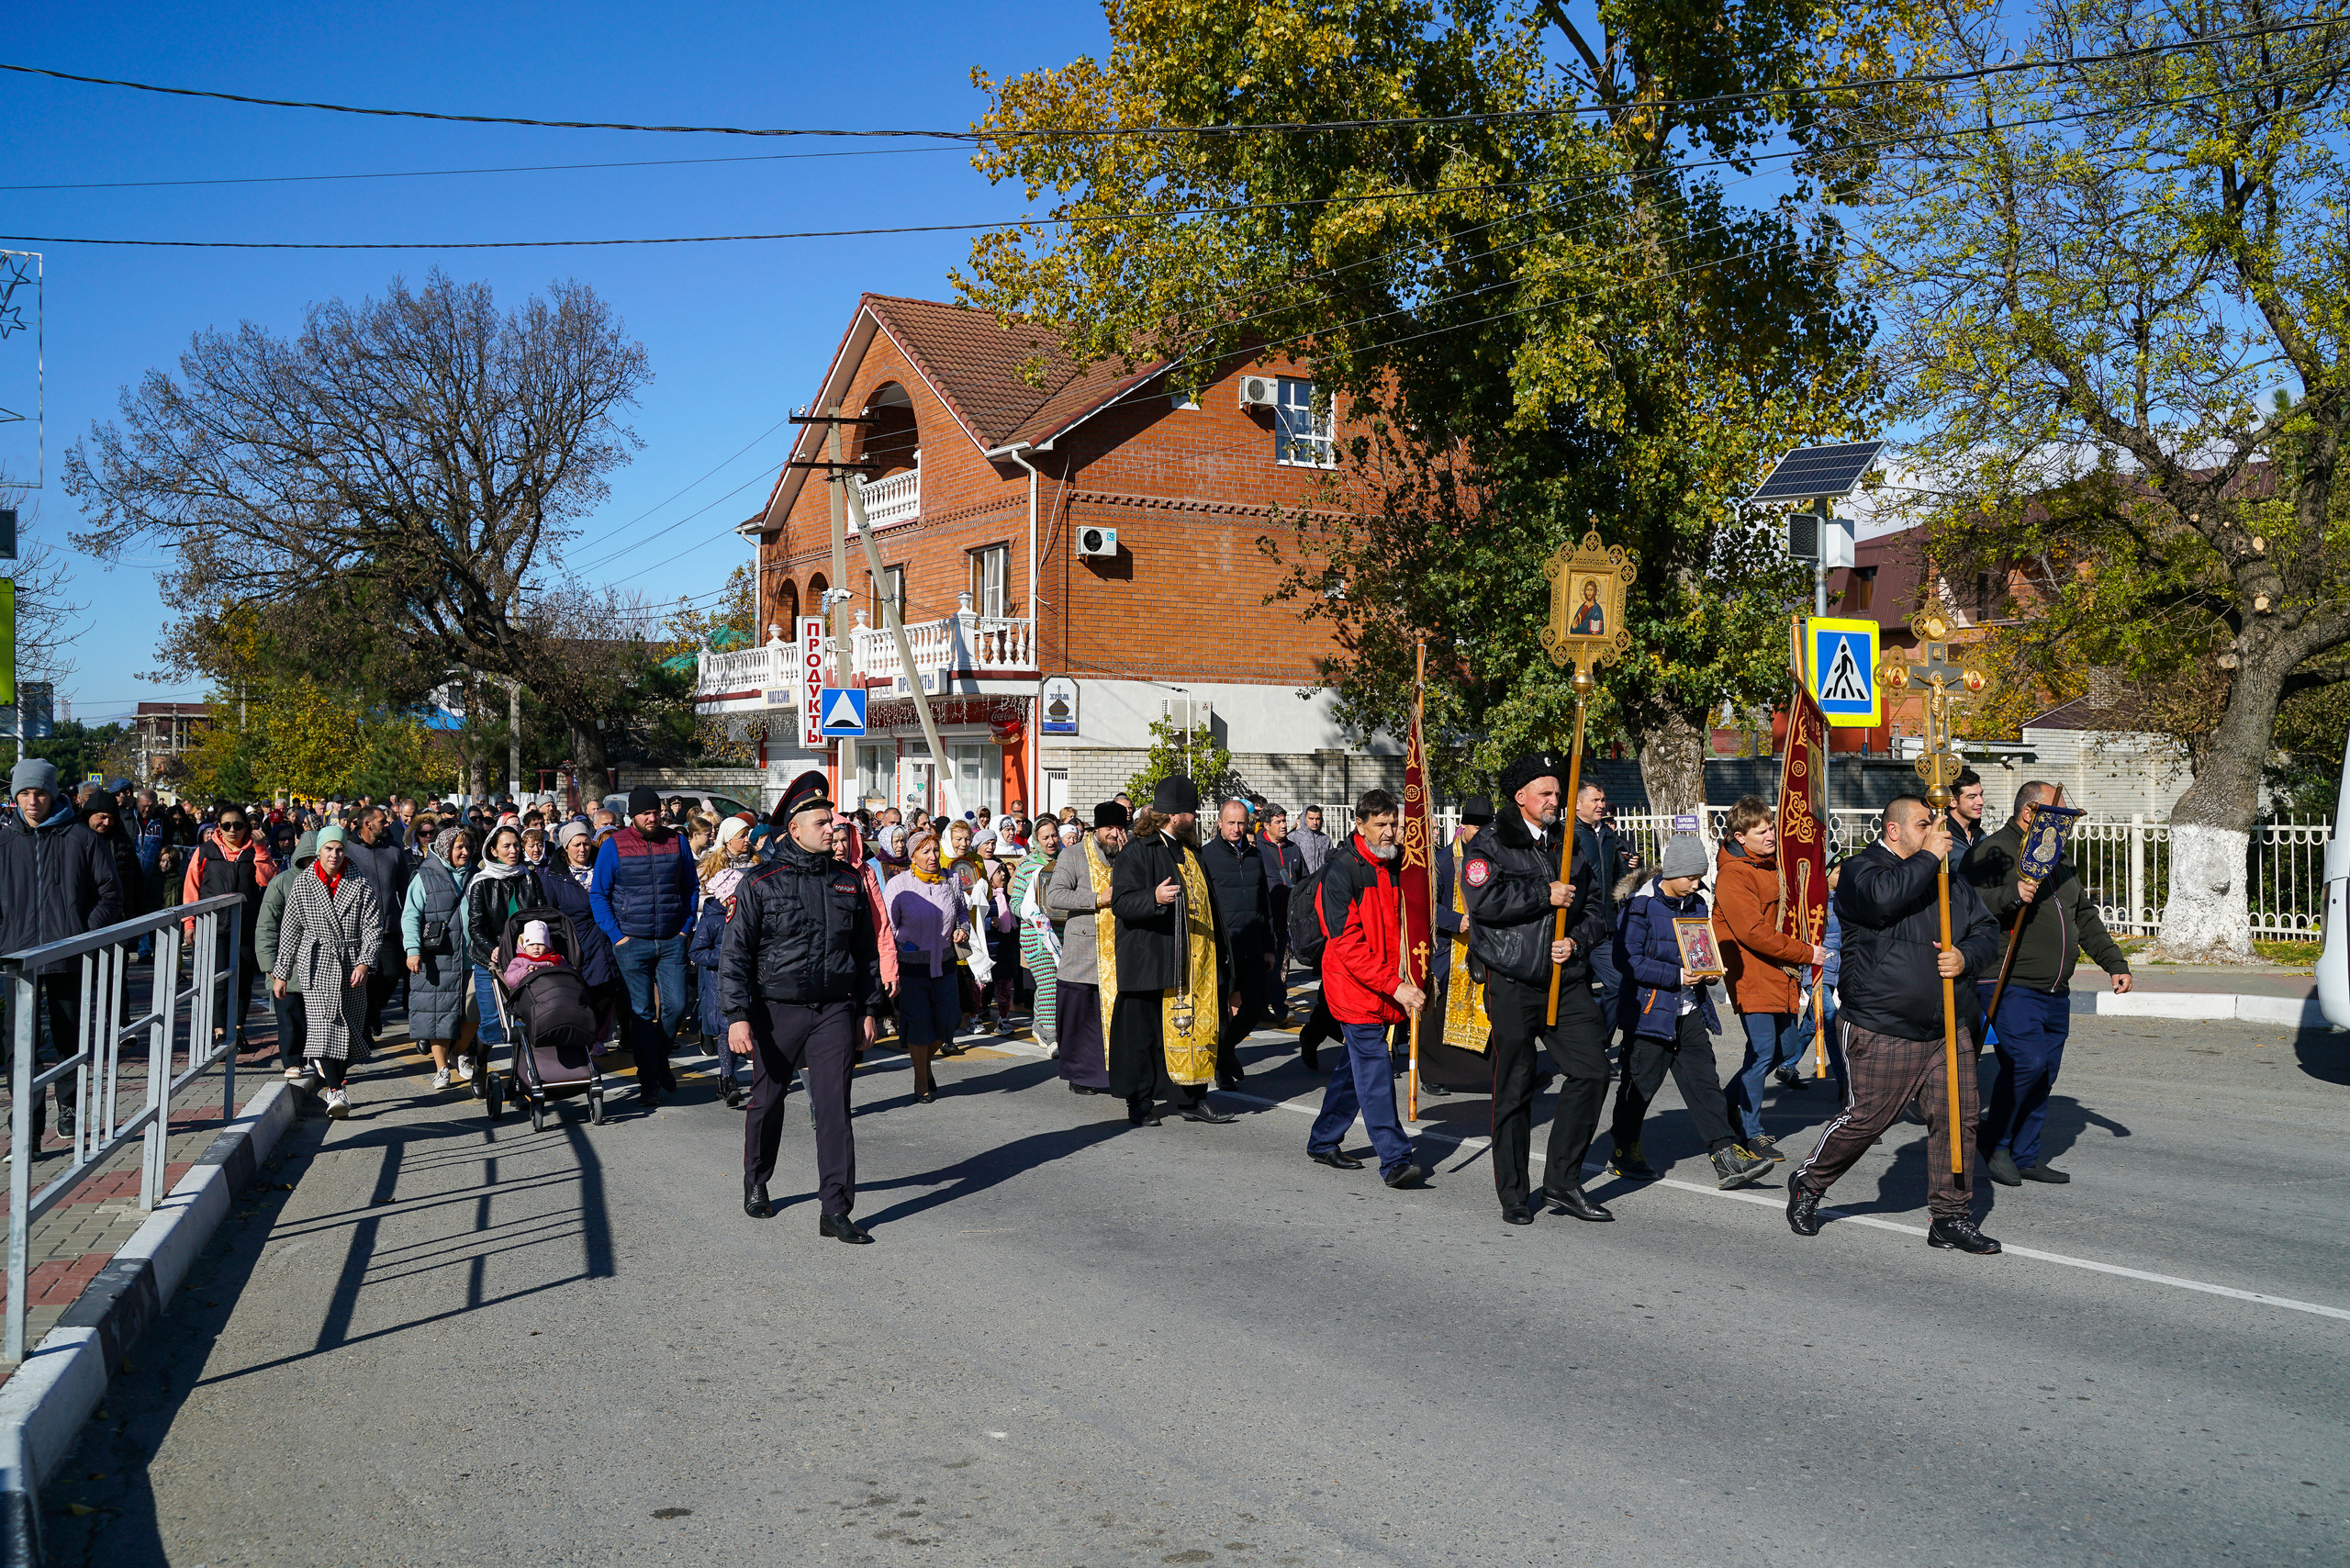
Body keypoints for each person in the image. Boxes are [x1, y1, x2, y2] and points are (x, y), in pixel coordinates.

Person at [1787, 794, 2005, 1254]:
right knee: (1866, 1120)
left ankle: (1950, 1215)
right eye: (1925, 824)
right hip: (1882, 1022)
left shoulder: (1949, 881)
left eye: (1935, 825)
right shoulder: (1862, 870)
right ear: (1893, 830)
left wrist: (1966, 957)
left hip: (1946, 1026)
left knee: (1958, 1120)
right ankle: (1810, 1183)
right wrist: (1929, 856)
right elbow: (1883, 901)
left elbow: (1988, 931)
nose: (1935, 832)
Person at [724, 771, 886, 1241]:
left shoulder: (848, 882)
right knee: (768, 1099)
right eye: (821, 822)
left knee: (834, 1108)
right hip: (776, 1010)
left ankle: (834, 1209)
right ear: (794, 829)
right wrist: (737, 1016)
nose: (831, 829)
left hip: (834, 1007)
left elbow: (865, 951)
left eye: (832, 822)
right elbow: (735, 954)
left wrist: (869, 1008)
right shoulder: (761, 883)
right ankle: (757, 1179)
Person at [1462, 752, 1609, 1226]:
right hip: (1512, 979)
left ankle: (1563, 1180)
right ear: (1520, 796)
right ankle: (1514, 1192)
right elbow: (1483, 903)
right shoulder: (1490, 842)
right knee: (1516, 1087)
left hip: (1564, 981)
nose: (1554, 800)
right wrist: (1542, 895)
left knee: (1592, 1072)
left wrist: (1577, 940)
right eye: (1545, 793)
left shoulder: (1570, 844)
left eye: (1557, 793)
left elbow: (1594, 911)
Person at [1964, 780, 2133, 1186]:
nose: (2065, 827)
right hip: (2008, 979)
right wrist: (2012, 892)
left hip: (2056, 988)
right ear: (2029, 814)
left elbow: (2084, 916)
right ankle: (1995, 1141)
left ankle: (2025, 1154)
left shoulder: (2056, 855)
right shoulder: (1993, 850)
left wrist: (2114, 962)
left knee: (2046, 1072)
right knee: (2027, 1062)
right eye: (2057, 818)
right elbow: (1965, 900)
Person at [1608, 837, 1776, 1189]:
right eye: (1691, 877)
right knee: (1639, 1088)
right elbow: (1626, 960)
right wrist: (1674, 974)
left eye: (1700, 876)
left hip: (1689, 1010)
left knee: (1705, 1085)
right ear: (1673, 871)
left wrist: (1709, 970)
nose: (1697, 884)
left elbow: (1700, 949)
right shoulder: (1639, 906)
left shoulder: (1695, 903)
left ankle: (1727, 1156)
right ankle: (1624, 1151)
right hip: (1649, 1014)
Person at [1304, 790, 1428, 1190]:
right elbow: (1347, 945)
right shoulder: (1341, 870)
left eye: (1394, 824)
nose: (1391, 832)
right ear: (1360, 825)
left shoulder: (1395, 865)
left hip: (1385, 987)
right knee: (1374, 1070)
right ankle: (1394, 1158)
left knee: (1352, 1069)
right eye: (1382, 825)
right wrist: (1396, 986)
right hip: (1354, 989)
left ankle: (1323, 1139)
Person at [0, 758, 123, 1141]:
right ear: (15, 797)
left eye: (40, 792)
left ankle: (68, 1107)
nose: (32, 800)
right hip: (17, 962)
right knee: (19, 1049)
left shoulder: (81, 838)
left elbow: (110, 893)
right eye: (24, 793)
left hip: (68, 956)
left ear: (54, 794)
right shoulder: (4, 843)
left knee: (69, 1040)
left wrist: (81, 935)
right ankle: (26, 1129)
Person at [1107, 776, 1237, 1127]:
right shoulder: (1138, 850)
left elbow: (1209, 904)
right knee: (1145, 1039)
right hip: (1153, 961)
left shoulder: (1191, 851)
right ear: (1173, 815)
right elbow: (1120, 901)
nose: (1195, 818)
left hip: (1194, 965)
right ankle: (1140, 1102)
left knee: (1195, 1033)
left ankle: (1192, 1099)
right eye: (1191, 812)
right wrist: (1153, 898)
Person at [1714, 795, 1833, 1160]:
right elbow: (1752, 932)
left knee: (1785, 1049)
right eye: (1762, 831)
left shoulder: (1771, 864)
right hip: (1752, 973)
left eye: (1771, 829)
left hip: (1780, 973)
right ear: (1739, 836)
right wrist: (1805, 952)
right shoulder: (1734, 873)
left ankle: (1723, 1107)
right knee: (1764, 1051)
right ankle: (1752, 1133)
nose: (1771, 836)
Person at [589, 785, 698, 1107]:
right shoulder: (615, 846)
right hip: (631, 941)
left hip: (671, 939)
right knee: (641, 1013)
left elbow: (690, 887)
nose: (652, 818)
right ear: (632, 816)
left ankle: (659, 1061)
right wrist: (616, 936)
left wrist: (684, 928)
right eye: (645, 813)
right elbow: (599, 894)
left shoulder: (676, 841)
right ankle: (648, 1081)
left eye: (655, 812)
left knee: (677, 1006)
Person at [269, 823, 383, 1120]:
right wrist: (281, 973)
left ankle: (338, 1083)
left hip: (352, 963)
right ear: (319, 851)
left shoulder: (360, 882)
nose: (334, 854)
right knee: (323, 1027)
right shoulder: (303, 884)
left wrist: (364, 962)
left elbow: (373, 927)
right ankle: (335, 1090)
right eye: (329, 849)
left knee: (347, 1027)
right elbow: (290, 930)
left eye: (340, 849)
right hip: (317, 963)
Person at [181, 800, 278, 1052]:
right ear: (218, 827)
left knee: (243, 981)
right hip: (214, 926)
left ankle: (238, 1028)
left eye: (238, 825)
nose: (232, 830)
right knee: (219, 982)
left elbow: (268, 880)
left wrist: (260, 849)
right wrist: (189, 923)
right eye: (227, 825)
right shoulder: (205, 851)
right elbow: (191, 888)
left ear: (246, 826)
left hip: (246, 925)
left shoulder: (254, 850)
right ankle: (219, 1031)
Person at [1046, 802, 1126, 1097]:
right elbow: (1055, 896)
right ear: (1097, 829)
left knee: (1114, 1019)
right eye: (1109, 830)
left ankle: (1114, 1072)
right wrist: (1096, 898)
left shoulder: (1127, 855)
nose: (1115, 835)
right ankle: (1079, 1074)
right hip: (1083, 953)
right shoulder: (1073, 855)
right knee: (1081, 1019)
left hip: (1119, 954)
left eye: (1119, 829)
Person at [886, 830, 969, 1103]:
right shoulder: (899, 885)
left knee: (949, 1022)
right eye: (926, 851)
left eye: (935, 850)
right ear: (913, 856)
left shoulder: (951, 879)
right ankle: (920, 1079)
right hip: (912, 969)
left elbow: (962, 913)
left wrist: (962, 928)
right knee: (920, 1026)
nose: (933, 857)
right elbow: (888, 928)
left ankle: (924, 1064)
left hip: (945, 965)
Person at [1202, 797, 1277, 1090]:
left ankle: (1224, 1051)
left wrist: (1269, 946)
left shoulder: (1256, 856)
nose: (1235, 828)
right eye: (1230, 822)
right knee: (1221, 1010)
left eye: (1240, 822)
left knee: (1256, 1004)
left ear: (1248, 824)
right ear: (1219, 823)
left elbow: (1265, 904)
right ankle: (1222, 1070)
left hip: (1253, 943)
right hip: (1222, 946)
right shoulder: (1206, 856)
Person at [464, 824, 540, 1093]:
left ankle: (519, 1075)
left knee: (523, 1020)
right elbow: (475, 927)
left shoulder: (529, 877)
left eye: (517, 845)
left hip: (525, 959)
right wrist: (493, 949)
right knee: (493, 1022)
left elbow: (540, 916)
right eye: (506, 846)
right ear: (493, 851)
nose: (514, 851)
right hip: (490, 961)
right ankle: (480, 1063)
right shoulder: (481, 882)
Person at [402, 825, 474, 1091]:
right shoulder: (424, 876)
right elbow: (410, 916)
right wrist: (413, 950)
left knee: (475, 1008)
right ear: (446, 850)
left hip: (472, 958)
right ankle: (441, 1068)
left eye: (467, 847)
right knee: (438, 1015)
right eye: (459, 848)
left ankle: (460, 1051)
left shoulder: (476, 875)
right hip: (437, 957)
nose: (465, 852)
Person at [693, 821, 756, 1108]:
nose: (747, 839)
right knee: (724, 1023)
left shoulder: (757, 861)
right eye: (742, 835)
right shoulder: (711, 866)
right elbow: (702, 905)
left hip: (749, 952)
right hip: (719, 956)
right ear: (728, 838)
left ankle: (752, 1074)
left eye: (748, 835)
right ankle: (727, 1078)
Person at [340, 806, 409, 1046]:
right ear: (367, 824)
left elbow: (405, 889)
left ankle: (374, 1010)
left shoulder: (394, 850)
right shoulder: (348, 851)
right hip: (358, 931)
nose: (388, 824)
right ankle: (365, 1024)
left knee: (391, 974)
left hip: (390, 926)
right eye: (383, 821)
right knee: (364, 979)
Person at [255, 830, 319, 1084]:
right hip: (288, 964)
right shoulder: (282, 882)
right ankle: (293, 1060)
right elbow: (266, 925)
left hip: (322, 962)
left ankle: (319, 1056)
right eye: (311, 857)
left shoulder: (337, 882)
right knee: (290, 1016)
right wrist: (269, 964)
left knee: (320, 1016)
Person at [1009, 826, 1061, 1047]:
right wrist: (1033, 915)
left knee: (1056, 981)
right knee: (1049, 982)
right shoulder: (1027, 865)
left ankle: (1040, 1024)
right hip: (1035, 936)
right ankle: (1051, 1033)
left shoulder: (1066, 861)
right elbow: (1015, 903)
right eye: (1045, 837)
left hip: (1061, 934)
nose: (1051, 841)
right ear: (1036, 840)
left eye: (1054, 836)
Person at [1948, 768, 1989, 859]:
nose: (1981, 802)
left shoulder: (1980, 834)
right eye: (1972, 797)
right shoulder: (1943, 836)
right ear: (1952, 801)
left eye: (1981, 795)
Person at [1291, 805, 1332, 876]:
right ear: (1305, 819)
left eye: (1318, 819)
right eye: (1311, 818)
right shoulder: (1293, 837)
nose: (1315, 822)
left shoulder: (1326, 839)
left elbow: (1331, 862)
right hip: (1301, 882)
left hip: (1320, 881)